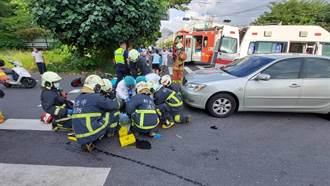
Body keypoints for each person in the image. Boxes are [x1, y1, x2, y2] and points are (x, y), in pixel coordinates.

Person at [71, 75, 121, 152]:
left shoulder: (78, 98)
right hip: (90, 132)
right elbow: (114, 106)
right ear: (96, 87)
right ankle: (110, 131)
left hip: (79, 134)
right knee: (114, 112)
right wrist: (113, 97)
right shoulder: (96, 97)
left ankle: (89, 140)